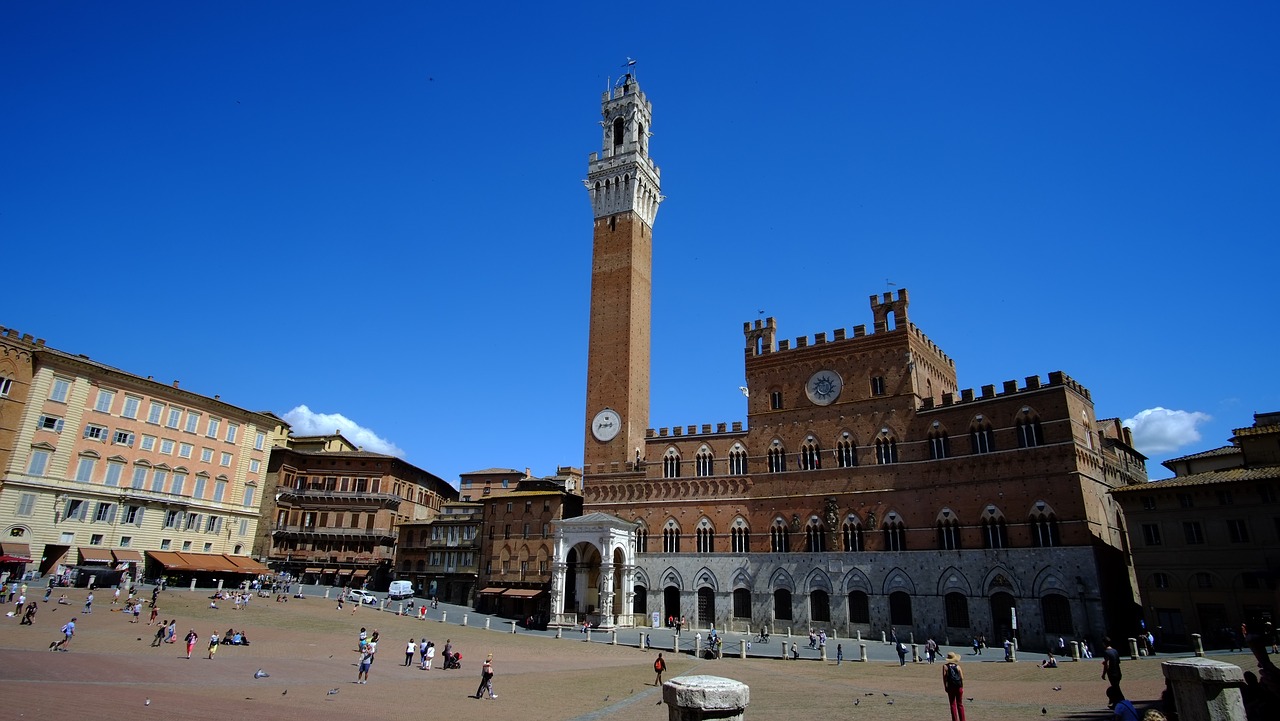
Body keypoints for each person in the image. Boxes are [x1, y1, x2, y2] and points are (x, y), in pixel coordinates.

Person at [942, 651, 966, 721]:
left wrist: (945, 687)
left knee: (952, 704)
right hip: (958, 687)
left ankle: (954, 719)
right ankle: (963, 719)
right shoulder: (958, 667)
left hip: (951, 687)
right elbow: (962, 677)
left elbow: (944, 678)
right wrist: (961, 686)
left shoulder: (945, 667)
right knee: (960, 704)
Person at [1101, 636, 1123, 700]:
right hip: (1118, 672)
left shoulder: (1106, 652)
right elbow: (1118, 662)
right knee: (1116, 687)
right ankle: (1116, 701)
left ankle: (1121, 701)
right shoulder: (1115, 651)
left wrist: (1103, 674)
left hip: (1112, 673)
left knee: (1116, 689)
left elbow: (1107, 665)